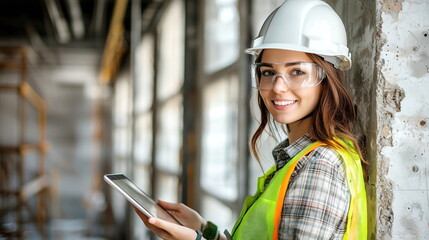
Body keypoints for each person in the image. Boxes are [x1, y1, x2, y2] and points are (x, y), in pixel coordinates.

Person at [134, 0, 368, 239]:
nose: (278, 87)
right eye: (268, 72)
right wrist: (204, 229)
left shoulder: (319, 166)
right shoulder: (295, 158)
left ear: (328, 79)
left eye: (296, 72)